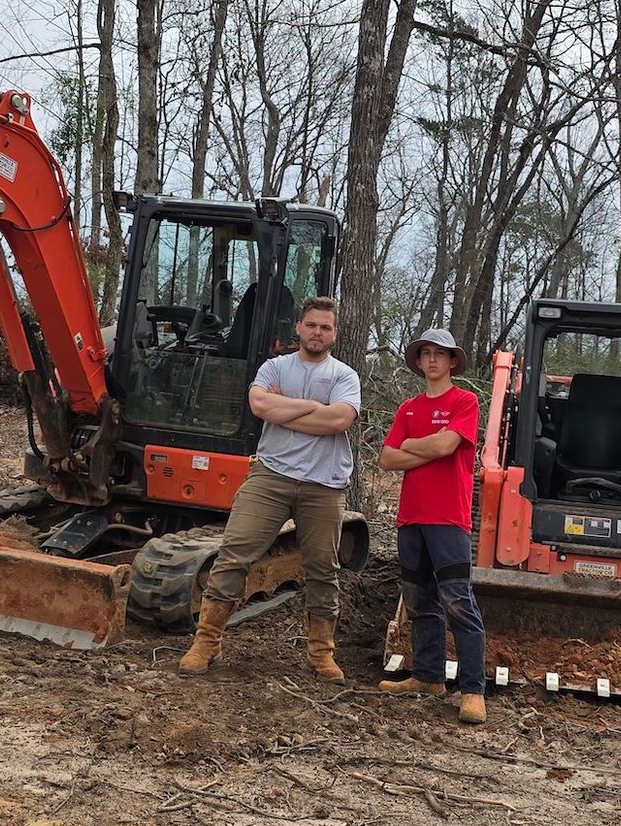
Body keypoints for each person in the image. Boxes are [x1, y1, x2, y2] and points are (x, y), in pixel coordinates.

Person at [178, 296, 361, 680]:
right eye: (311, 325)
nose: (317, 332)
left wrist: (288, 409)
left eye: (325, 327)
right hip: (272, 475)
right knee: (233, 553)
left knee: (323, 569)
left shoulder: (344, 376)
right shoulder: (275, 366)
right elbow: (260, 405)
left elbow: (339, 419)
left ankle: (320, 654)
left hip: (323, 485)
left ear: (335, 334)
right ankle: (206, 641)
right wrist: (312, 407)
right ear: (299, 328)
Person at [376, 328, 487, 725]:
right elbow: (387, 460)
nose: (434, 360)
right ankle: (428, 677)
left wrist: (413, 446)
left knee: (457, 600)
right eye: (427, 353)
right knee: (420, 599)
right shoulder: (407, 408)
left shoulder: (465, 401)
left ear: (453, 361)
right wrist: (430, 444)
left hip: (448, 518)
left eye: (441, 354)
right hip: (411, 518)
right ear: (420, 361)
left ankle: (473, 691)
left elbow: (445, 447)